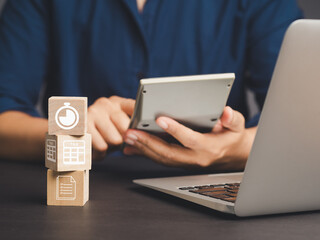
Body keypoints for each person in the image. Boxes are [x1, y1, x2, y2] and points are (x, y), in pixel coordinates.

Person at [0, 0, 302, 170]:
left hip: (215, 194)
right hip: (88, 194)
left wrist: (239, 147)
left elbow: (304, 123)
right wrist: (69, 137)